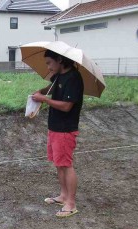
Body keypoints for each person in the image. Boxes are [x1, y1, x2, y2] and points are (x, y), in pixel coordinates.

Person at [32, 50, 84, 218]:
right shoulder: (57, 77)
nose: (48, 66)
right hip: (54, 127)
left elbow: (66, 106)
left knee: (66, 165)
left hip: (65, 129)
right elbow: (48, 90)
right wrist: (39, 93)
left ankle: (71, 203)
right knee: (58, 163)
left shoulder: (74, 78)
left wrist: (44, 99)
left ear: (60, 60)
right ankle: (63, 196)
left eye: (49, 63)